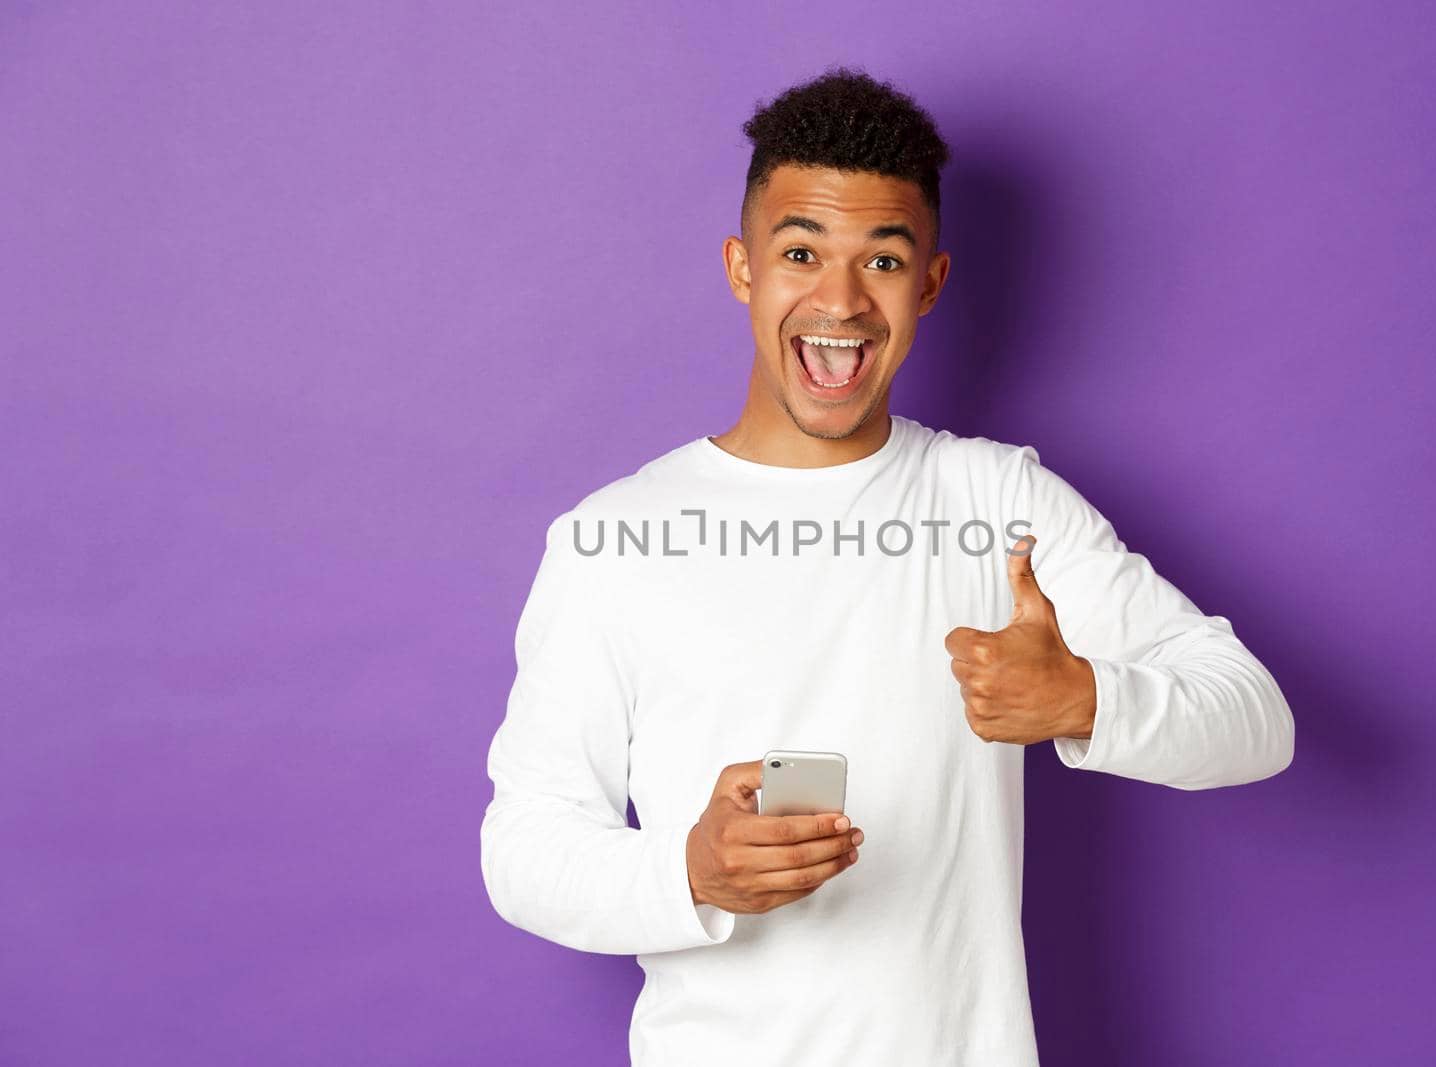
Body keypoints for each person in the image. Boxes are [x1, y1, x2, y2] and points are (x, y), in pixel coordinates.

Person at [479, 65, 1294, 1066]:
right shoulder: (612, 538)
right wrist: (689, 869)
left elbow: (1256, 720)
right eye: (799, 251)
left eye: (882, 260)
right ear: (742, 267)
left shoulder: (1001, 504)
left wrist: (1085, 696)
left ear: (931, 284)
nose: (839, 299)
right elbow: (522, 850)